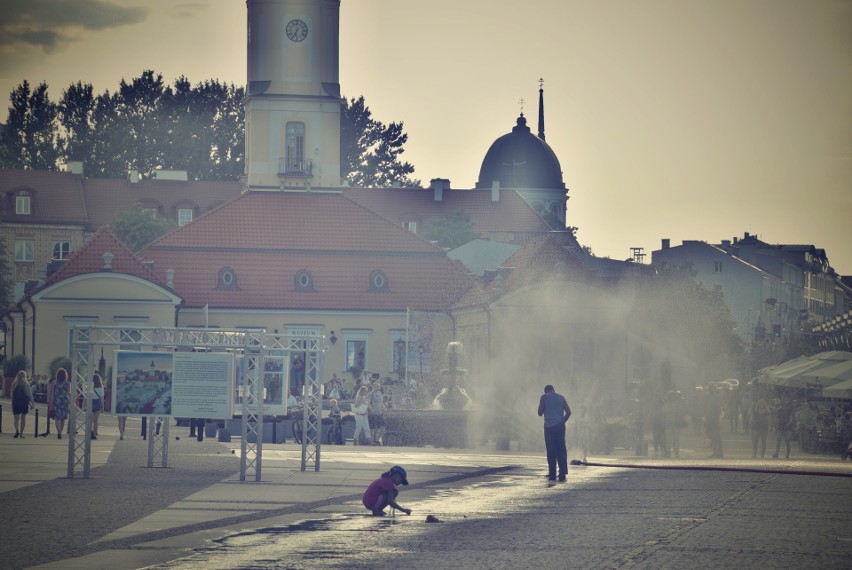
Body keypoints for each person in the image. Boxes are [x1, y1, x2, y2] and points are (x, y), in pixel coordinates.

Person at [537, 384, 572, 483]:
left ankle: (552, 473)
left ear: (546, 391)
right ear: (553, 390)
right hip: (560, 426)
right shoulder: (561, 397)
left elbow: (540, 412)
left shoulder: (544, 397)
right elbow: (569, 412)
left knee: (551, 450)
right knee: (561, 449)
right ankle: (562, 472)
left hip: (549, 427)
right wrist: (561, 421)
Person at [12, 370, 35, 438]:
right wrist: (33, 403)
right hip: (24, 403)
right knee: (23, 419)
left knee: (16, 419)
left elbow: (12, 394)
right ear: (25, 376)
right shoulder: (26, 384)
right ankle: (21, 434)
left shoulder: (14, 383)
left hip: (16, 402)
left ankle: (17, 430)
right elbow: (30, 395)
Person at [52, 368, 71, 439]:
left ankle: (58, 432)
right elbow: (69, 393)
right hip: (64, 401)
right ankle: (61, 432)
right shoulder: (68, 383)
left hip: (56, 401)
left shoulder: (54, 382)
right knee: (63, 418)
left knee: (57, 417)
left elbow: (52, 392)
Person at [369, 381, 386, 445]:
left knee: (382, 426)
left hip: (379, 412)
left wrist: (384, 409)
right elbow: (368, 403)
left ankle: (377, 439)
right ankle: (372, 441)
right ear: (373, 387)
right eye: (377, 386)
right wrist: (371, 410)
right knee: (373, 428)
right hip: (373, 413)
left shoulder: (380, 393)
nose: (378, 388)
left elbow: (381, 403)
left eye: (379, 386)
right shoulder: (371, 394)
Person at [91, 373, 105, 439]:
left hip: (90, 403)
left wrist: (83, 406)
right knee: (96, 420)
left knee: (90, 420)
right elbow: (102, 399)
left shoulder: (89, 386)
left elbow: (86, 397)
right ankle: (94, 434)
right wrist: (103, 407)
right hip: (97, 403)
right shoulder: (101, 388)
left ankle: (90, 432)